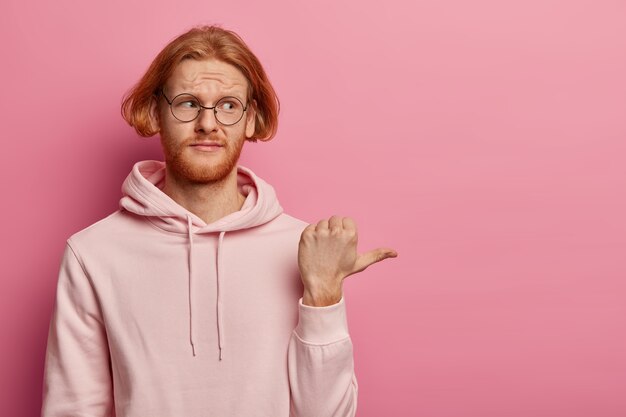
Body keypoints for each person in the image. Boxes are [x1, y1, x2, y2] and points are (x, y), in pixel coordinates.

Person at [41, 24, 398, 417]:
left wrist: (324, 296)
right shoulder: (93, 253)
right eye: (188, 103)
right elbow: (72, 409)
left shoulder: (302, 249)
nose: (208, 124)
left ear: (250, 120)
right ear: (155, 112)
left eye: (228, 105)